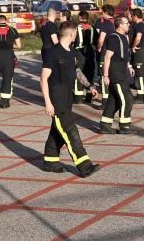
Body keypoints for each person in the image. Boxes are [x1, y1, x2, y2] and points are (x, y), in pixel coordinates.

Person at [40, 20, 101, 177]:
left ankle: (50, 161)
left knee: (57, 129)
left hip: (67, 95)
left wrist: (89, 86)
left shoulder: (71, 52)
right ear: (71, 34)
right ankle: (84, 165)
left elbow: (77, 71)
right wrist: (48, 103)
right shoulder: (52, 52)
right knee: (69, 130)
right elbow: (44, 78)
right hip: (56, 96)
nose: (77, 35)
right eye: (76, 33)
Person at [96, 15, 135, 134]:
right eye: (126, 23)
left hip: (122, 71)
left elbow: (125, 55)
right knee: (127, 99)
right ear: (120, 25)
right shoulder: (113, 37)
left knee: (114, 100)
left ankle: (105, 125)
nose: (128, 25)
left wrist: (129, 66)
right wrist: (105, 75)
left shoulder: (124, 37)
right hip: (115, 73)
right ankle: (124, 126)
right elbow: (107, 57)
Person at [94, 4, 116, 108]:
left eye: (102, 13)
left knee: (104, 77)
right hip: (115, 53)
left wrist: (99, 47)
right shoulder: (117, 22)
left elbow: (101, 39)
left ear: (106, 13)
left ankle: (105, 102)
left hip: (105, 52)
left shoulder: (106, 23)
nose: (101, 15)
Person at [130, 8, 144, 103]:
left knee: (140, 74)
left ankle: (141, 97)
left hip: (140, 52)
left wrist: (133, 46)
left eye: (132, 16)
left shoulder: (139, 25)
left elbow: (138, 38)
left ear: (135, 16)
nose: (131, 17)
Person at [74, 10, 97, 104]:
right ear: (87, 18)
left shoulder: (76, 28)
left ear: (80, 18)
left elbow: (73, 41)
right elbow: (96, 40)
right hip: (90, 52)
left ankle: (78, 97)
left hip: (79, 52)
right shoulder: (92, 28)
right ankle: (89, 96)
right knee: (89, 73)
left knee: (79, 73)